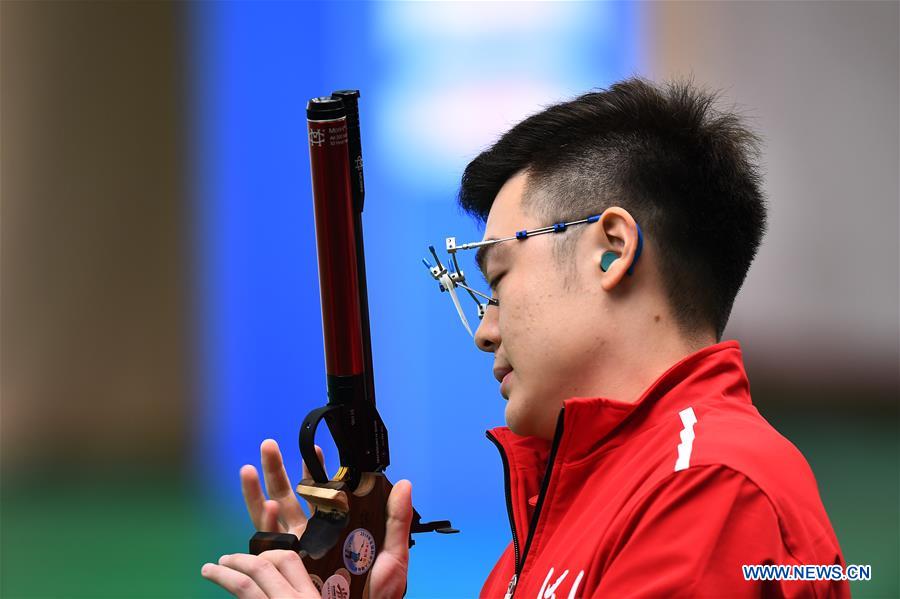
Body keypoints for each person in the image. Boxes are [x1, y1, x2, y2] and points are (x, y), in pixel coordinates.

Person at [201, 78, 849, 598]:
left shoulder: (708, 491)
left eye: (499, 279)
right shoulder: (568, 518)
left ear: (611, 250)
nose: (485, 331)